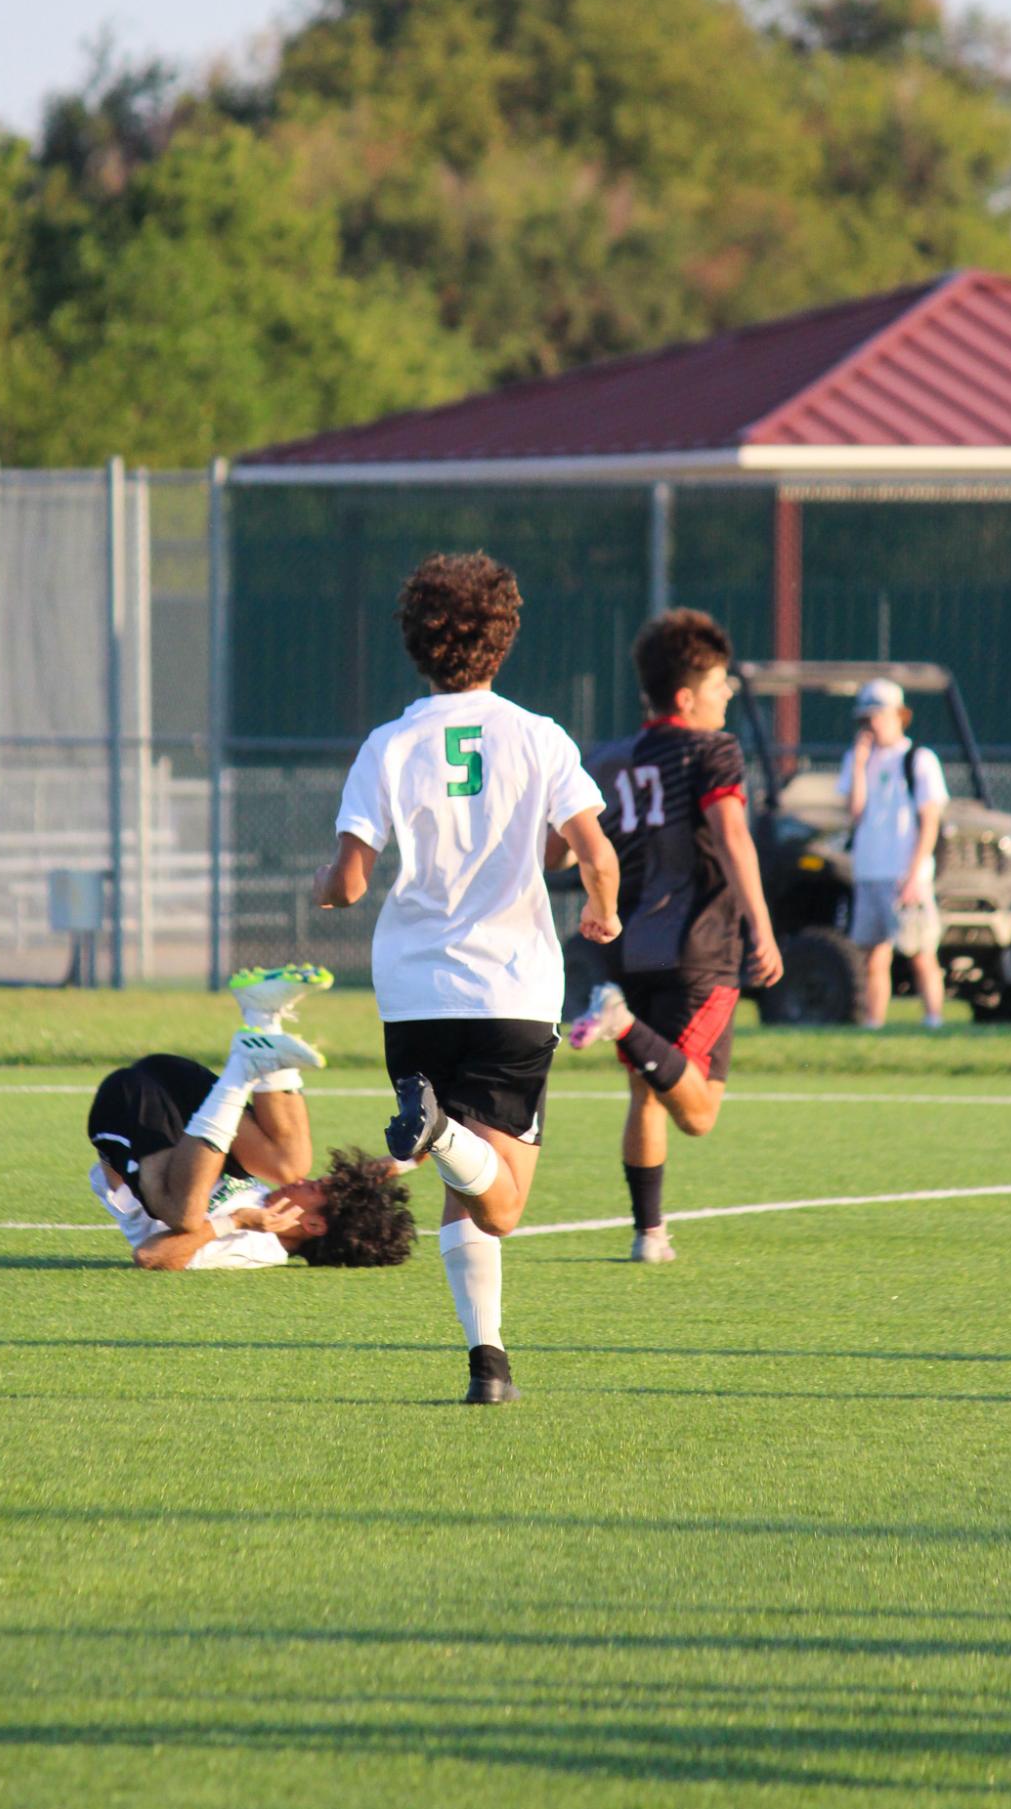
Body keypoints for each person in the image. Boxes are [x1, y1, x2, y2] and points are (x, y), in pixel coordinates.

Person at [312, 551, 620, 1404]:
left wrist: (322, 889)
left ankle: (488, 1361)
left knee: (467, 1186)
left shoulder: (389, 744)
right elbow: (594, 851)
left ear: (416, 641)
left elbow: (347, 879)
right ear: (504, 637)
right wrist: (605, 911)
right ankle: (440, 1131)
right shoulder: (539, 735)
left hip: (412, 995)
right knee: (504, 1203)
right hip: (511, 988)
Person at [567, 607, 783, 1262]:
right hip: (701, 948)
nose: (728, 695)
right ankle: (622, 1022)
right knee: (698, 1112)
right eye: (720, 683)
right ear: (686, 696)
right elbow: (733, 837)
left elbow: (559, 847)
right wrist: (763, 929)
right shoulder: (712, 750)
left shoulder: (610, 758)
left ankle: (649, 1234)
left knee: (647, 1091)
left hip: (630, 949)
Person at [87, 975, 416, 1271]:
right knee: (290, 1164)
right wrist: (417, 1155)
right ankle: (262, 1015)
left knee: (185, 1216)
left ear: (315, 1226)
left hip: (129, 1116)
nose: (306, 1182)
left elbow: (149, 1257)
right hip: (171, 1085)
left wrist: (237, 1221)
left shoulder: (260, 1246)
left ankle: (244, 1068)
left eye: (315, 1188)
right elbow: (353, 1184)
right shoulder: (289, 1203)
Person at [837, 677, 949, 1029]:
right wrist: (858, 764)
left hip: (904, 874)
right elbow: (854, 811)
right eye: (866, 718)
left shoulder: (918, 759)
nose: (872, 724)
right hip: (869, 870)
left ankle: (934, 1020)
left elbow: (929, 820)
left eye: (878, 716)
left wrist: (915, 874)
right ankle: (874, 1023)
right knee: (874, 957)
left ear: (898, 715)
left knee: (919, 952)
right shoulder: (858, 760)